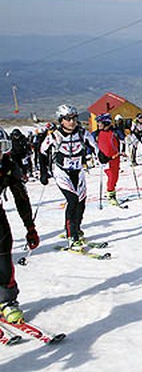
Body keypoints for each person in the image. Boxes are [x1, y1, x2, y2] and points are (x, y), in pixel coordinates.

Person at [39, 105, 98, 247]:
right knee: (72, 200)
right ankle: (71, 234)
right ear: (61, 120)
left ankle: (76, 227)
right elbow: (41, 152)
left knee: (81, 202)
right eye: (67, 119)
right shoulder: (54, 136)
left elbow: (95, 147)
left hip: (78, 171)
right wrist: (43, 172)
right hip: (62, 172)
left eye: (74, 118)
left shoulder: (83, 133)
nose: (71, 122)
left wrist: (101, 156)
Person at [0, 128, 39, 323]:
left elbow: (21, 198)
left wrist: (30, 227)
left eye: (0, 148)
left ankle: (7, 301)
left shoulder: (7, 166)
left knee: (4, 256)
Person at [96, 113, 123, 206]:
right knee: (111, 177)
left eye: (100, 123)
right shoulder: (97, 133)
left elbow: (123, 139)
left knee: (115, 177)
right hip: (105, 159)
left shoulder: (114, 132)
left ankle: (111, 192)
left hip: (115, 158)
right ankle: (111, 195)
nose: (98, 125)